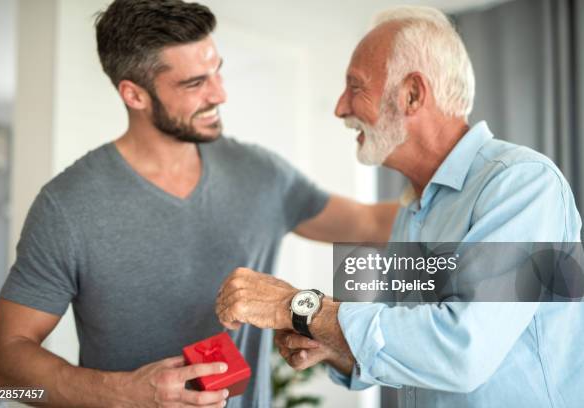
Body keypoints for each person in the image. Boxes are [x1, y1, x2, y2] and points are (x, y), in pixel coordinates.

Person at [0, 1, 399, 407]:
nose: (220, 94)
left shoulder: (260, 174)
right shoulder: (67, 206)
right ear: (135, 95)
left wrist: (458, 185)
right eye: (195, 83)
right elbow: (3, 377)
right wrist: (127, 393)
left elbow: (368, 225)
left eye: (217, 71)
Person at [215, 6, 584, 408]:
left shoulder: (521, 184)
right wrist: (336, 347)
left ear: (412, 94)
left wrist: (299, 307)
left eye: (355, 87)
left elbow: (462, 351)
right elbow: (412, 342)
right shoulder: (413, 211)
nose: (340, 107)